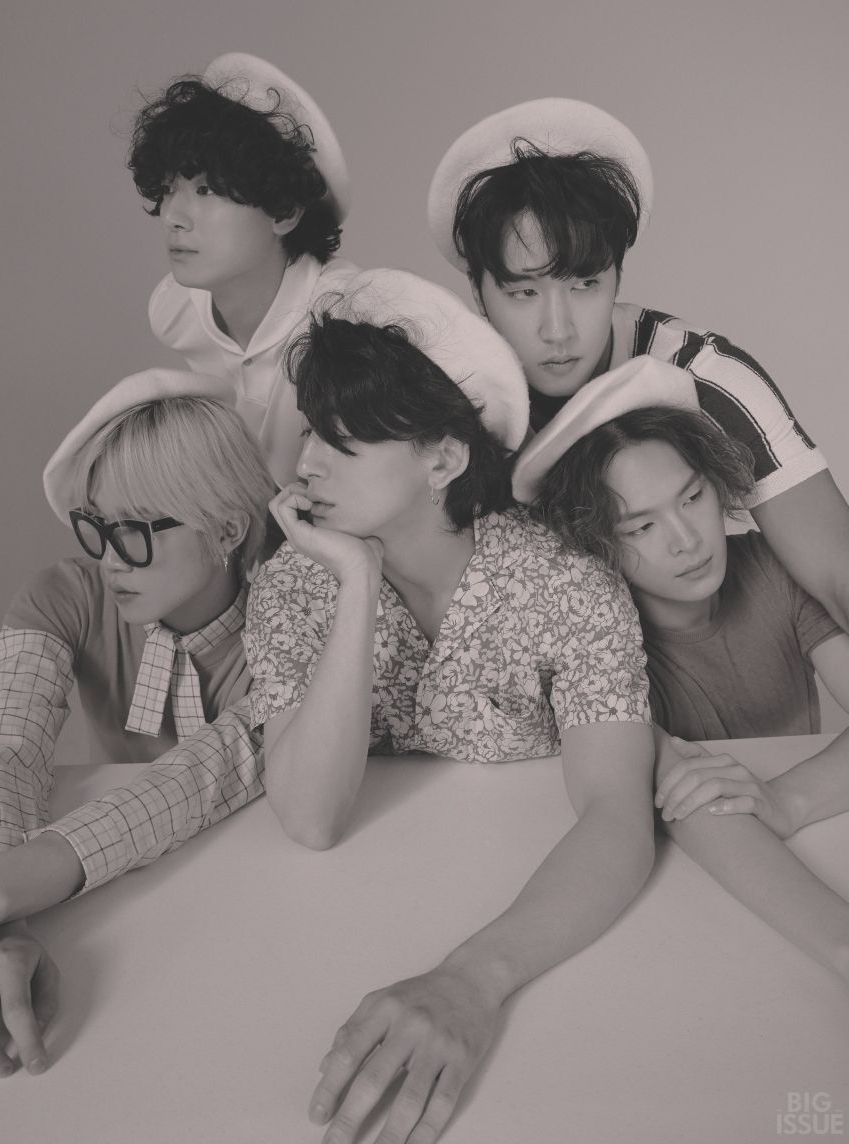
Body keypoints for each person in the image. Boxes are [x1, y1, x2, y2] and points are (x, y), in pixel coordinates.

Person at [245, 268, 655, 1143]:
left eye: (342, 443)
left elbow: (619, 816)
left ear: (443, 458)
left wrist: (471, 981)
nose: (305, 465)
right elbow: (310, 820)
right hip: (325, 938)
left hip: (556, 945)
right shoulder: (292, 587)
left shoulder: (566, 585)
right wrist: (354, 585)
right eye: (309, 431)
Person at [428, 99, 849, 637]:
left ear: (617, 275)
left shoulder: (706, 376)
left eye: (585, 284)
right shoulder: (450, 403)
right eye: (524, 292)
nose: (557, 330)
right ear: (478, 291)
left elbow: (840, 574)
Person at [0, 369, 273, 1079]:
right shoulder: (64, 594)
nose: (106, 558)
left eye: (132, 532)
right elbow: (1, 751)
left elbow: (201, 775)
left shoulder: (290, 618)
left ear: (226, 528)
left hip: (258, 911)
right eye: (96, 526)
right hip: (116, 909)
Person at [519, 353, 849, 1003]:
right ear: (593, 540)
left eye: (692, 498)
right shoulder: (598, 645)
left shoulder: (774, 569)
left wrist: (788, 800)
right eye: (641, 525)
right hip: (678, 921)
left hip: (810, 852)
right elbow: (663, 799)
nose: (686, 539)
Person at [129, 52, 358, 486]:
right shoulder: (175, 310)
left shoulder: (347, 319)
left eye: (205, 190)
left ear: (284, 211)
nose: (172, 216)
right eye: (168, 189)